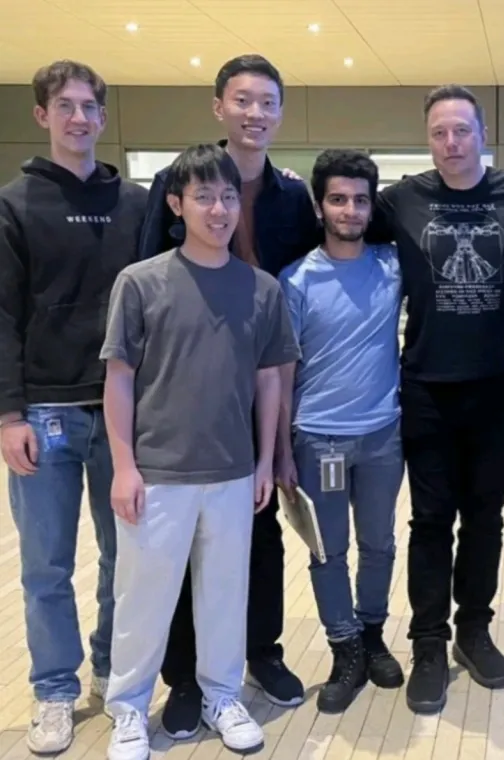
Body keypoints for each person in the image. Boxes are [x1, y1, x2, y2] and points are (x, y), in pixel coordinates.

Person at [138, 54, 320, 735]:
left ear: (281, 113)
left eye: (267, 102)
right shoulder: (178, 180)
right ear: (219, 107)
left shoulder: (291, 196)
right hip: (189, 390)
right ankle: (184, 677)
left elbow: (305, 281)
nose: (255, 113)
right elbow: (146, 277)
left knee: (261, 525)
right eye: (242, 100)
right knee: (184, 540)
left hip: (265, 381)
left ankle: (260, 653)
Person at [101, 143, 299, 760]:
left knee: (224, 595)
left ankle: (222, 695)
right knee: (144, 598)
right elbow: (119, 378)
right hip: (157, 472)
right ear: (176, 204)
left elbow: (270, 381)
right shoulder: (140, 282)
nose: (219, 209)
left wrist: (264, 462)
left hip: (234, 472)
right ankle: (128, 708)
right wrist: (124, 466)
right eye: (204, 197)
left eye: (229, 197)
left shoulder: (262, 289)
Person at [365, 84, 504, 714]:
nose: (451, 143)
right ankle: (428, 643)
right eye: (439, 132)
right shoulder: (400, 201)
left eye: (462, 130)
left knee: (486, 516)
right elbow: (337, 222)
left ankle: (473, 629)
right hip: (426, 385)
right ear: (428, 139)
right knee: (431, 519)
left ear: (482, 134)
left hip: (497, 384)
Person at [0, 59, 148, 755]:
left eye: (90, 106)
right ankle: (55, 690)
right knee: (46, 567)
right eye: (65, 106)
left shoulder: (136, 204)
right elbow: (1, 315)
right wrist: (8, 416)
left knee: (126, 559)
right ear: (42, 115)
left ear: (104, 116)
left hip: (126, 414)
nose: (79, 118)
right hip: (46, 414)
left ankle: (114, 672)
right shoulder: (15, 204)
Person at [275, 148, 405, 714]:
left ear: (372, 206)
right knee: (328, 551)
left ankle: (372, 634)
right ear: (319, 206)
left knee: (379, 544)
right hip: (318, 438)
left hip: (383, 436)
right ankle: (344, 646)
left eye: (359, 200)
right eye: (337, 199)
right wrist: (281, 450)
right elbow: (283, 370)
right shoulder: (296, 279)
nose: (350, 210)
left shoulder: (393, 266)